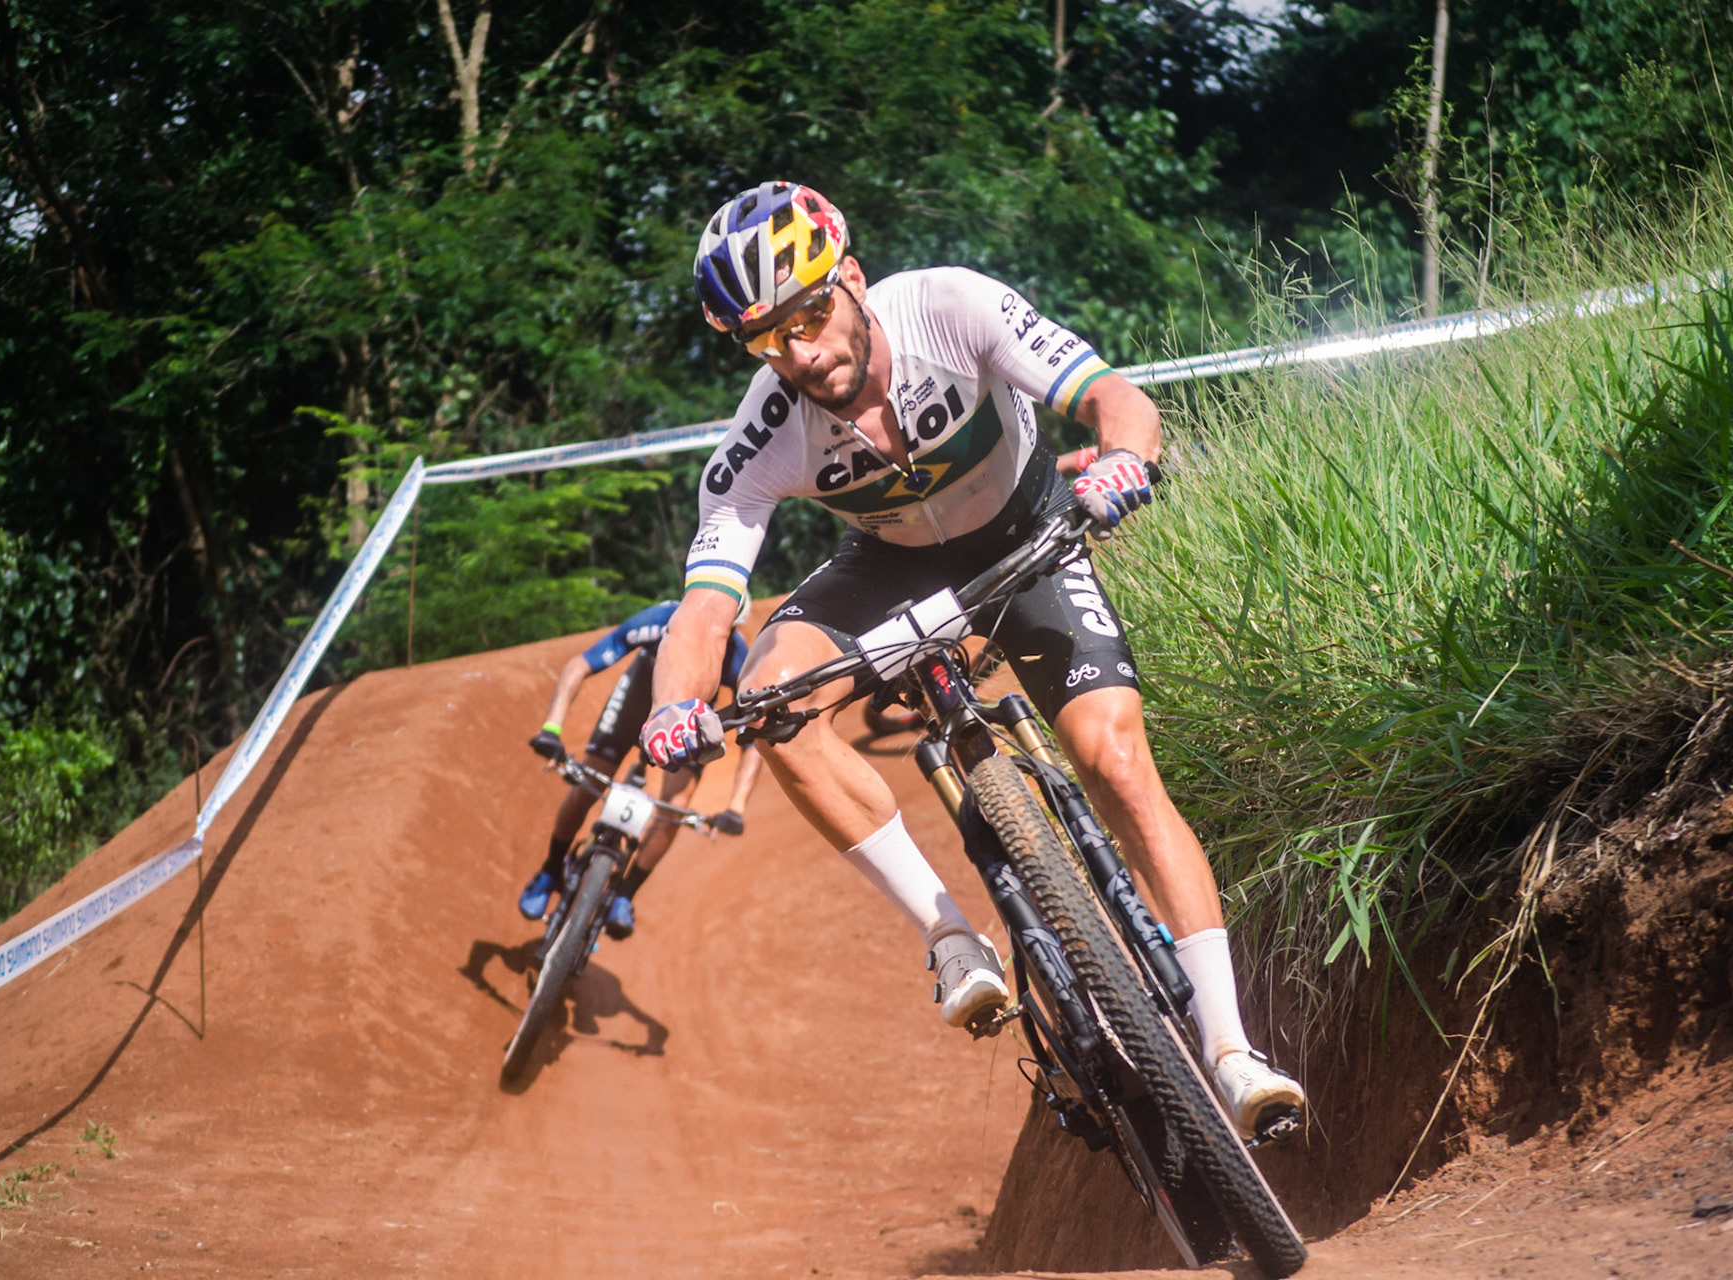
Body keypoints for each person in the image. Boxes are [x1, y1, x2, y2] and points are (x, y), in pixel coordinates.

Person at [637, 181, 1305, 1138]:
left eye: (810, 314)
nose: (799, 353)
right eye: (766, 339)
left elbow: (1115, 399)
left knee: (1116, 762)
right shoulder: (762, 433)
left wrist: (1123, 457)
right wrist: (672, 707)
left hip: (1029, 534)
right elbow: (705, 609)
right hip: (890, 567)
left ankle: (1230, 1050)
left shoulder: (950, 305)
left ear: (851, 276)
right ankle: (949, 934)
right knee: (771, 694)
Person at [520, 599, 765, 939]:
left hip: (686, 720)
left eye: (724, 626)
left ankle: (624, 895)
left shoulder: (736, 653)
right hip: (634, 702)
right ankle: (550, 870)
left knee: (675, 808)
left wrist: (736, 807)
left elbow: (755, 736)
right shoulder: (660, 618)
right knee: (588, 784)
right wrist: (552, 728)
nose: (713, 630)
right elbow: (580, 664)